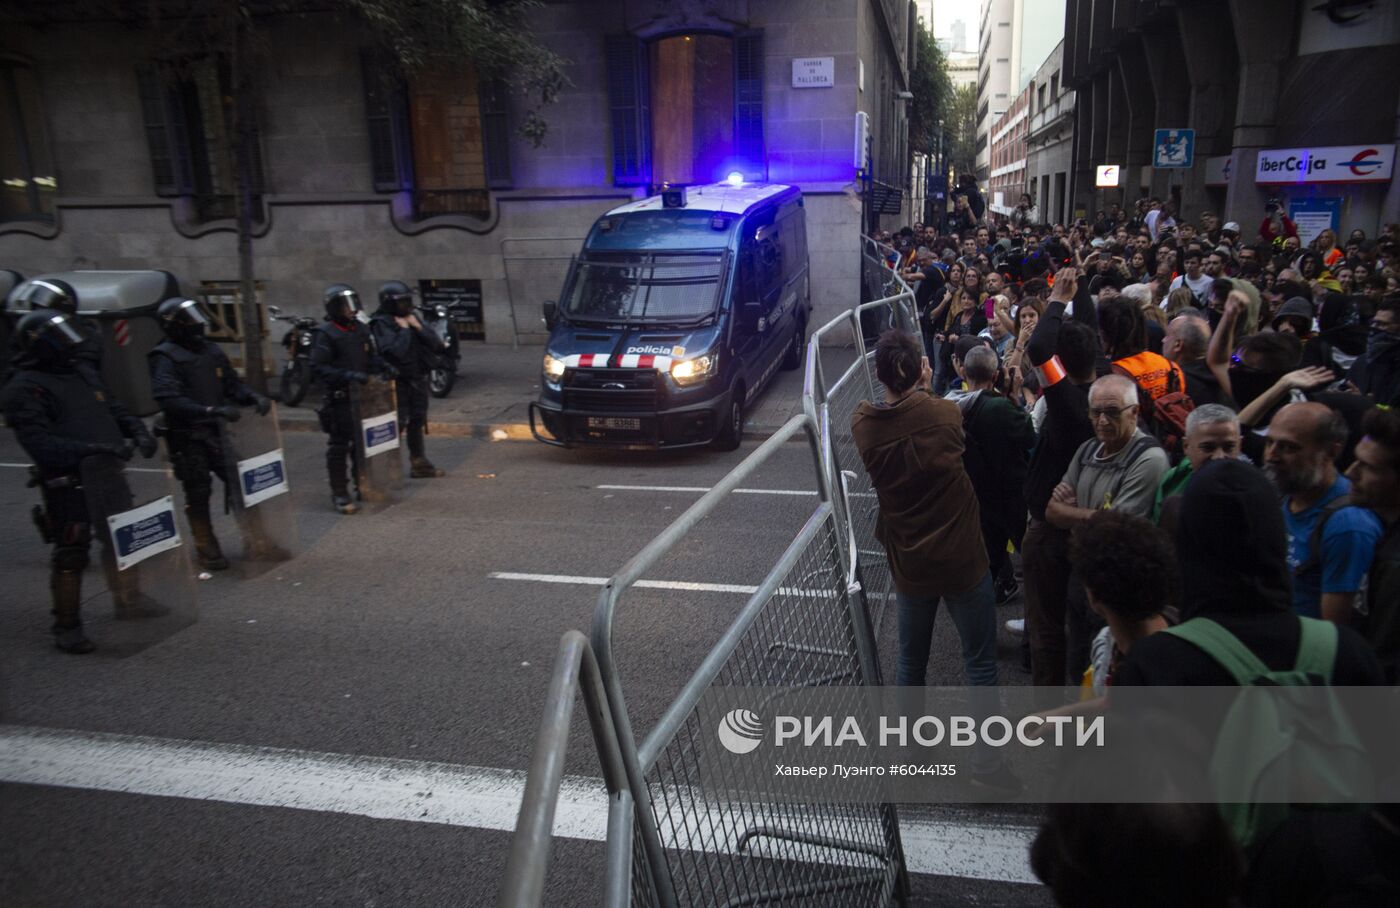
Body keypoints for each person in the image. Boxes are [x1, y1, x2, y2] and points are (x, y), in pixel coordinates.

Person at [850, 330, 1017, 793]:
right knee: (979, 664)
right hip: (964, 559)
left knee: (911, 662)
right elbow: (938, 412)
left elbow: (885, 414)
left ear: (880, 374)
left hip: (911, 563)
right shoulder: (944, 413)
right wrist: (926, 383)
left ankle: (913, 752)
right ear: (921, 369)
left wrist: (911, 383)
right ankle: (988, 768)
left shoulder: (864, 425)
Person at [1, 310, 161, 654]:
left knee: (121, 542)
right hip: (68, 481)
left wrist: (137, 431)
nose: (71, 349)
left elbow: (114, 408)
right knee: (72, 553)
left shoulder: (81, 373)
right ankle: (67, 624)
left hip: (106, 473)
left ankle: (129, 598)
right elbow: (41, 445)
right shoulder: (24, 389)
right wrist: (95, 448)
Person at [1046, 373, 1170, 675]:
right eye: (1096, 412)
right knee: (1077, 664)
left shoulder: (1149, 459)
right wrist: (1096, 514)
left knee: (1110, 669)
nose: (1102, 420)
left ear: (1135, 412)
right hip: (1082, 576)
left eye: (1112, 412)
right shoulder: (1088, 449)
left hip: (1122, 588)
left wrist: (1075, 511)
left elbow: (1115, 525)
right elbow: (1051, 511)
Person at [148, 297, 273, 570]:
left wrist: (252, 396)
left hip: (216, 432)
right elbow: (169, 399)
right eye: (189, 320)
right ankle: (206, 545)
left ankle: (257, 538)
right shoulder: (165, 356)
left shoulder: (210, 351)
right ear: (175, 326)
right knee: (198, 491)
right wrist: (208, 410)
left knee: (242, 482)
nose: (198, 324)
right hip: (187, 436)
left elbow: (232, 385)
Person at [1021, 269, 1101, 690]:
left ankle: (1048, 710)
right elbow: (1090, 331)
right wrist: (1082, 286)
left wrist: (1055, 299)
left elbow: (1037, 348)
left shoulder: (1068, 401)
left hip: (1053, 531)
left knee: (1048, 627)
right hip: (1089, 522)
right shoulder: (1104, 378)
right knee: (1085, 624)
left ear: (1061, 364)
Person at [1265, 401, 1383, 624]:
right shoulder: (1286, 494)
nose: (1272, 455)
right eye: (1269, 443)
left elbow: (1335, 634)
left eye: (1289, 447)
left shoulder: (1347, 525)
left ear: (1331, 451)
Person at [951, 345, 1035, 604]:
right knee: (1029, 551)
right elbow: (1029, 436)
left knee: (990, 554)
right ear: (997, 375)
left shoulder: (950, 405)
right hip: (1011, 494)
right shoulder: (999, 408)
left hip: (977, 494)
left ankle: (989, 598)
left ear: (964, 372)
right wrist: (1015, 396)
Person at [310, 283, 392, 514]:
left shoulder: (361, 330)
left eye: (354, 305)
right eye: (346, 306)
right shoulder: (326, 334)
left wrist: (384, 368)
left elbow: (371, 357)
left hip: (363, 397)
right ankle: (339, 493)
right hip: (340, 398)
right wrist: (347, 376)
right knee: (339, 447)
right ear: (335, 308)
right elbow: (317, 368)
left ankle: (363, 485)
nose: (352, 310)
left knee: (361, 445)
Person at [369, 281, 448, 479]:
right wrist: (404, 331)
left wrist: (418, 327)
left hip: (416, 377)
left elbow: (436, 344)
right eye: (402, 303)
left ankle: (419, 462)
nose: (406, 307)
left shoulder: (411, 318)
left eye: (408, 302)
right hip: (396, 381)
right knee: (397, 423)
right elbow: (395, 351)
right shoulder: (381, 323)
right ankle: (386, 466)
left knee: (417, 419)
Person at [1345, 407, 1400, 679]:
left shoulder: (1394, 566)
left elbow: (1384, 663)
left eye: (1367, 467)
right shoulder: (1384, 535)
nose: (1350, 473)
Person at [1151, 403, 1243, 537]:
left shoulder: (1253, 493)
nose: (1219, 457)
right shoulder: (1174, 480)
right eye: (1208, 447)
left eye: (1229, 447)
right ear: (1186, 446)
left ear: (1240, 445)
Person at [1163, 313, 1230, 407]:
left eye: (1167, 336)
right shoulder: (1221, 377)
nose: (1163, 340)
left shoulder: (1175, 383)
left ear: (1178, 345)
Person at [1344, 298, 1400, 407]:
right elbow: (1347, 388)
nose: (1374, 329)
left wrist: (1367, 405)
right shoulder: (1363, 361)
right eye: (1373, 323)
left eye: (1382, 324)